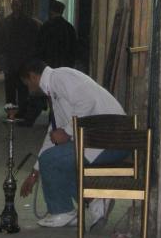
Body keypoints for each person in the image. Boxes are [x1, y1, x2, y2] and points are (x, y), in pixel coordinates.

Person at [18, 57, 127, 228]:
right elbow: (53, 134)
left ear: (32, 76)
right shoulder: (54, 91)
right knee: (54, 160)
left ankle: (63, 211)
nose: (29, 89)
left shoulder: (60, 77)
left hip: (110, 141)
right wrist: (35, 172)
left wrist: (68, 132)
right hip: (104, 141)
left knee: (51, 160)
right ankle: (95, 201)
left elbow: (87, 102)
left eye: (27, 84)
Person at [0, 0, 40, 120]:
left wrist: (31, 59)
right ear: (12, 6)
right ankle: (11, 112)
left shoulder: (29, 23)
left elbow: (34, 42)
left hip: (23, 61)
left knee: (23, 88)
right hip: (9, 61)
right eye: (15, 5)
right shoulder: (6, 23)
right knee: (10, 89)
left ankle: (22, 111)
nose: (16, 7)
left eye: (18, 5)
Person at [38, 0, 77, 69]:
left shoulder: (47, 26)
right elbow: (73, 49)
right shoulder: (69, 27)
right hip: (65, 65)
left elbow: (41, 46)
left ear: (51, 11)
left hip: (48, 64)